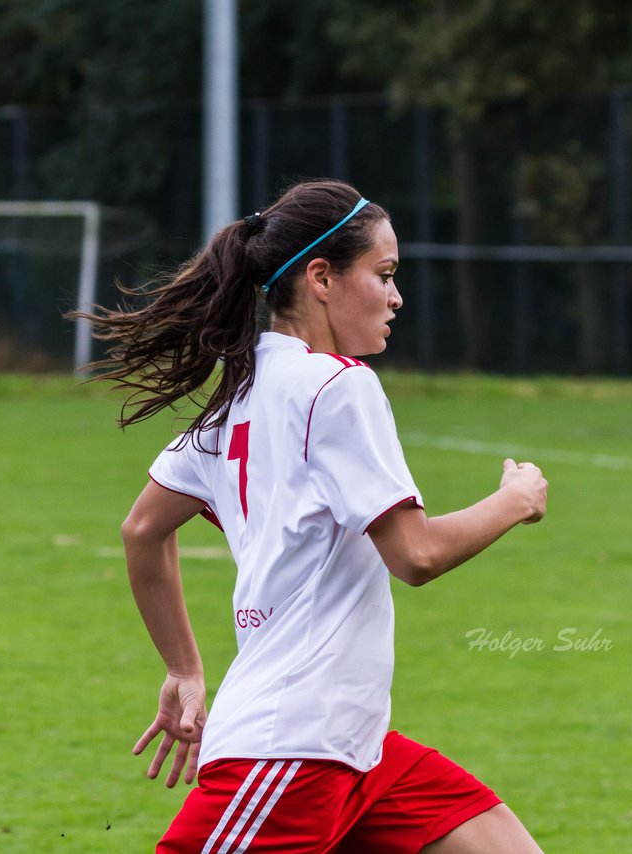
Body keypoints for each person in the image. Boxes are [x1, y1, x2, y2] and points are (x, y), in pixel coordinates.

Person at [84, 179, 549, 852]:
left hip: (356, 747)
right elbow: (414, 556)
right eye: (383, 275)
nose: (396, 297)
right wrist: (514, 502)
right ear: (322, 277)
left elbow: (142, 529)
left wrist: (184, 669)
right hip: (290, 746)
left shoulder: (240, 391)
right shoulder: (339, 386)